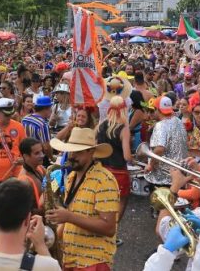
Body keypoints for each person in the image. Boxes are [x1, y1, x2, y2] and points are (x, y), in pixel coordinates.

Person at [47, 127, 119, 271]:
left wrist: (69, 217)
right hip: (70, 257)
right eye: (71, 151)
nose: (72, 156)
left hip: (93, 261)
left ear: (91, 152)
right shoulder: (72, 177)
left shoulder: (105, 180)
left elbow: (109, 227)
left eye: (78, 152)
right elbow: (72, 214)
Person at [96, 95, 132, 220]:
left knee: (103, 201)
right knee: (121, 201)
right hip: (119, 172)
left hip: (102, 170)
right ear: (123, 110)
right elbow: (127, 156)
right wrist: (134, 158)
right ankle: (114, 231)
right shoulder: (124, 128)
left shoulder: (101, 125)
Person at [145, 96, 188, 188]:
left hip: (163, 178)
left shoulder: (161, 125)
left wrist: (150, 165)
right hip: (179, 175)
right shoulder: (179, 121)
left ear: (158, 110)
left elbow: (160, 149)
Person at [16, 138, 46, 212]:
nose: (42, 155)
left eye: (41, 151)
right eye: (37, 153)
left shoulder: (40, 168)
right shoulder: (24, 181)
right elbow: (25, 210)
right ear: (26, 156)